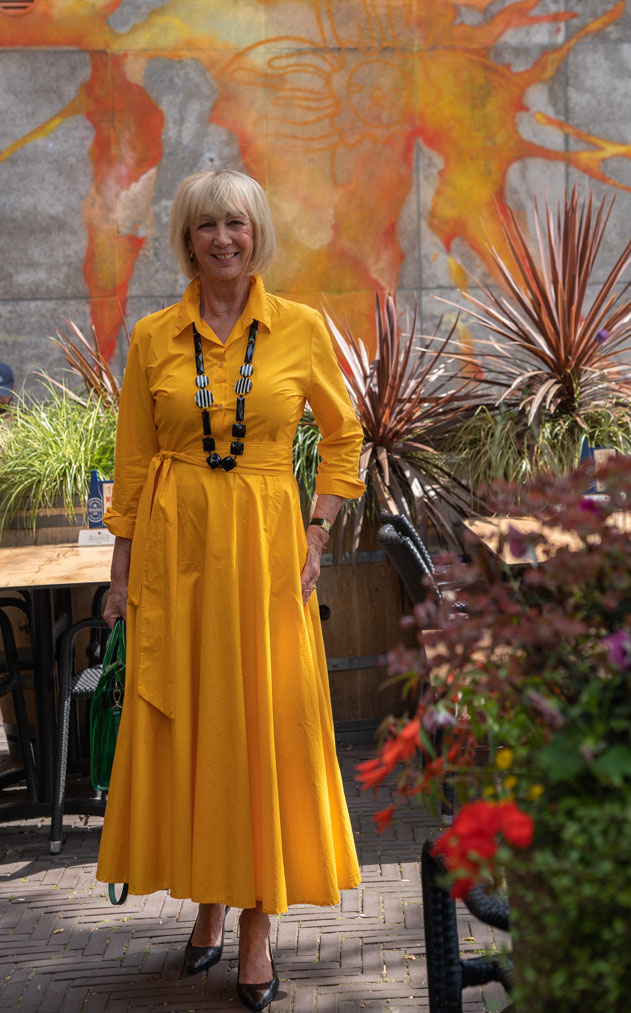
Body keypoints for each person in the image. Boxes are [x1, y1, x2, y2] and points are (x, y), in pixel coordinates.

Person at [97, 169, 365, 1010]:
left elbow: (344, 434)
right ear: (187, 237)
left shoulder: (299, 328)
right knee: (198, 727)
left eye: (237, 224)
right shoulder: (152, 336)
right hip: (176, 559)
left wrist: (317, 529)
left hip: (264, 557)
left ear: (257, 236)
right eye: (207, 224)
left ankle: (254, 924)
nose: (223, 238)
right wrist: (119, 575)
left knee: (257, 727)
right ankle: (207, 903)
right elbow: (134, 463)